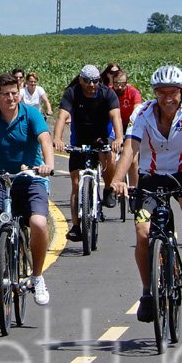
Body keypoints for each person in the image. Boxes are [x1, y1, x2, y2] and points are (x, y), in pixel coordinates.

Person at [109, 65, 182, 323]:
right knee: (143, 232)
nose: (167, 98)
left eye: (173, 92)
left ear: (181, 92)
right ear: (155, 93)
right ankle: (147, 292)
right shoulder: (142, 113)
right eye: (161, 92)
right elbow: (130, 148)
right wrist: (117, 180)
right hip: (150, 177)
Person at [0, 72, 55, 306]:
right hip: (1, 179)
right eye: (5, 94)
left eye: (14, 93)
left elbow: (45, 139)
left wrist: (48, 165)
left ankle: (36, 276)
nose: (11, 98)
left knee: (38, 223)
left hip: (31, 179)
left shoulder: (31, 114)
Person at [52, 64, 124, 240]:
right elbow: (62, 116)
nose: (92, 85)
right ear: (80, 80)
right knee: (76, 185)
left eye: (95, 81)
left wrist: (119, 138)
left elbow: (116, 116)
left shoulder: (107, 93)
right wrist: (58, 138)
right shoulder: (72, 93)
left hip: (101, 136)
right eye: (87, 81)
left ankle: (108, 189)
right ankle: (76, 226)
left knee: (109, 155)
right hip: (80, 140)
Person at [110, 68, 143, 201]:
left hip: (129, 124)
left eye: (122, 84)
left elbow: (137, 110)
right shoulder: (109, 92)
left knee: (133, 159)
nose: (119, 87)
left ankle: (134, 189)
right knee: (111, 154)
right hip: (113, 124)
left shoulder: (133, 92)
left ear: (127, 83)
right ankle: (113, 185)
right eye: (116, 84)